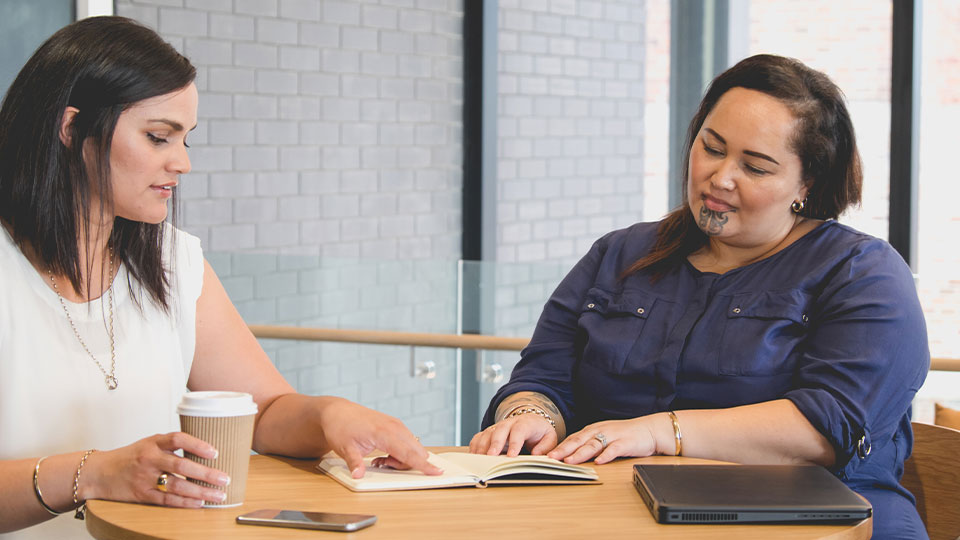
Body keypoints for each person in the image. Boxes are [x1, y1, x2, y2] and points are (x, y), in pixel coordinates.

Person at [0, 16, 440, 539]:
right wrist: (95, 473)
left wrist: (330, 415)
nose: (181, 163)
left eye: (186, 140)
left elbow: (264, 411)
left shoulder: (174, 264)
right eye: (158, 137)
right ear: (72, 130)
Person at [470, 54, 929, 539]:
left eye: (755, 167)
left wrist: (657, 431)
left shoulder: (862, 272)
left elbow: (829, 424)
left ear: (806, 184)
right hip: (615, 515)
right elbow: (543, 373)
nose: (720, 177)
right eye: (711, 148)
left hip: (822, 525)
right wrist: (529, 414)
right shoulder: (620, 253)